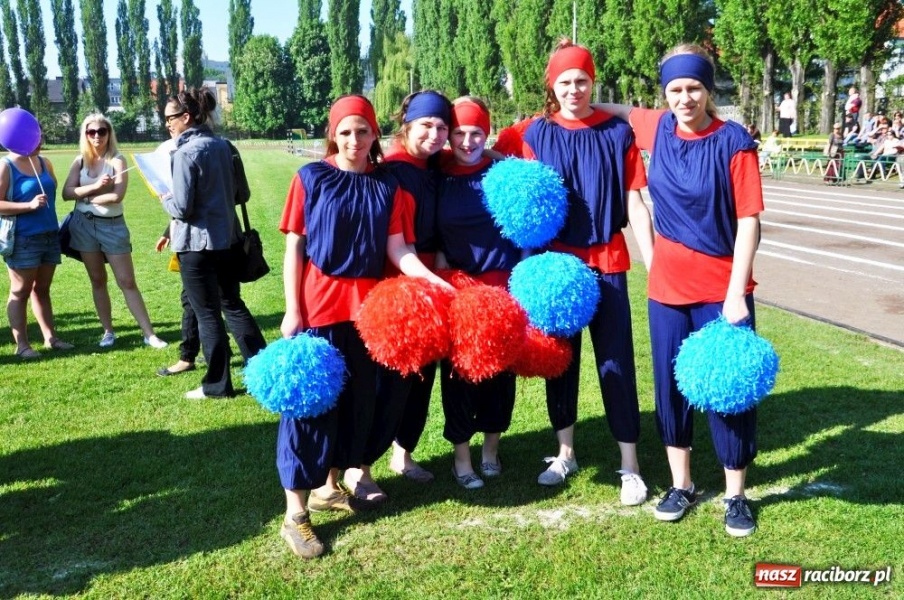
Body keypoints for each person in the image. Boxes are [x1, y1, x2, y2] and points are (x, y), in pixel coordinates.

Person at [277, 95, 452, 558]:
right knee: (309, 411)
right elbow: (295, 247)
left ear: (375, 134)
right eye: (345, 132)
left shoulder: (389, 189)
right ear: (332, 134)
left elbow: (399, 251)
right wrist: (293, 309)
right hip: (319, 310)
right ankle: (296, 515)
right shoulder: (310, 178)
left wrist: (436, 283)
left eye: (363, 131)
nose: (354, 140)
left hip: (369, 314)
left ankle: (333, 484)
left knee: (359, 406)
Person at [601, 43, 764, 537]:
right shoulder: (656, 127)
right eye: (675, 89)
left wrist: (735, 293)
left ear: (708, 90)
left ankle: (736, 494)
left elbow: (749, 221)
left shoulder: (734, 142)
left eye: (694, 88)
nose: (685, 98)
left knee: (728, 389)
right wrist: (570, 104)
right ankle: (682, 484)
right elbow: (611, 110)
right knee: (671, 388)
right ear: (665, 92)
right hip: (667, 289)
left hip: (721, 289)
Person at [498, 40, 654, 505]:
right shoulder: (532, 133)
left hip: (607, 260)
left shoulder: (617, 133)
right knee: (560, 363)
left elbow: (634, 201)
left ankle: (630, 464)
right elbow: (484, 158)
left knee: (615, 361)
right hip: (555, 268)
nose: (574, 89)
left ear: (593, 82)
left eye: (582, 80)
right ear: (552, 85)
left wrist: (654, 262)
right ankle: (565, 452)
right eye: (565, 82)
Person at [344, 90, 452, 501]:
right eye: (426, 125)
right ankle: (360, 469)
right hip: (394, 282)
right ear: (407, 126)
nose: (434, 134)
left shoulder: (437, 167)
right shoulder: (388, 173)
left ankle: (403, 454)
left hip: (430, 282)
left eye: (442, 127)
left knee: (421, 378)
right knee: (385, 383)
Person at [435, 97, 524, 489]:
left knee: (499, 378)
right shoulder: (439, 173)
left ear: (487, 134)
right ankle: (461, 458)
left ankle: (490, 450)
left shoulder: (503, 173)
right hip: (458, 290)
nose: (467, 142)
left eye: (476, 133)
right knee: (458, 379)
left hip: (501, 286)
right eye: (459, 133)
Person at [161, 87, 262, 399]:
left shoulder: (184, 153)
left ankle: (217, 385)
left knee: (207, 314)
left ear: (187, 117)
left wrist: (165, 197)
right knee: (233, 306)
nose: (167, 124)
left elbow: (182, 208)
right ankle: (264, 371)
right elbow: (242, 194)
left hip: (196, 246)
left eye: (170, 118)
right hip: (228, 240)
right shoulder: (225, 146)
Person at [61, 113, 167, 349]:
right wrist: (96, 187)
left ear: (109, 134)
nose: (97, 136)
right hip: (83, 225)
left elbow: (117, 196)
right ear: (85, 135)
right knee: (97, 280)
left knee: (127, 281)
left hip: (112, 226)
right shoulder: (79, 161)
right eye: (91, 132)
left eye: (102, 131)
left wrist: (86, 196)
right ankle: (108, 332)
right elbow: (66, 193)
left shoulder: (117, 160)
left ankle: (149, 334)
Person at [154, 226, 266, 376]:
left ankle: (258, 366)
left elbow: (184, 211)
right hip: (223, 240)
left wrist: (171, 215)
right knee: (213, 302)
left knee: (223, 305)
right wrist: (169, 230)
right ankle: (257, 364)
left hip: (204, 244)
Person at [0, 143, 73, 358]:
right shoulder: (6, 166)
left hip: (49, 235)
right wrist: (28, 205)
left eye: (40, 137)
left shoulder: (44, 162)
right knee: (20, 291)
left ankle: (51, 338)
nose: (39, 142)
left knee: (42, 289)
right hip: (23, 238)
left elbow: (52, 190)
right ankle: (22, 346)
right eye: (34, 138)